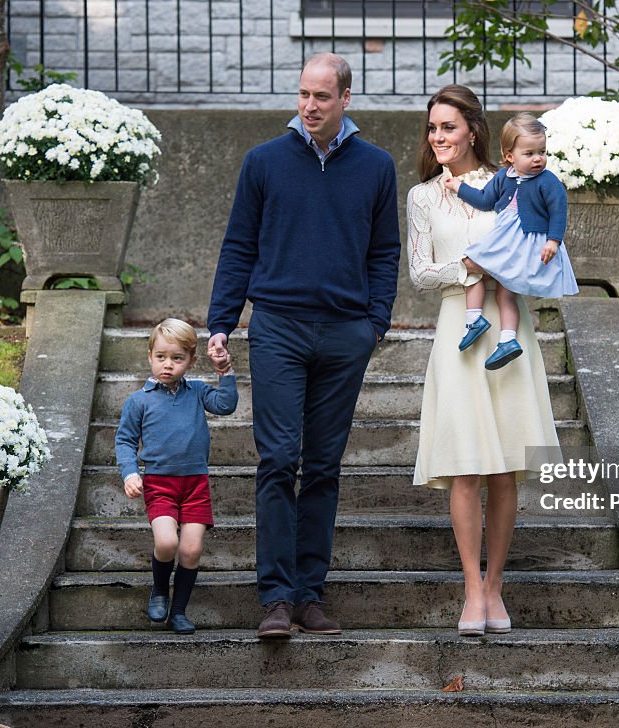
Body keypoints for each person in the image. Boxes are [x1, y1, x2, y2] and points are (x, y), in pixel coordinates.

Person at [206, 52, 401, 639]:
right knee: (276, 461)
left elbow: (384, 251)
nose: (310, 106)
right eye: (302, 95)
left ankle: (310, 596)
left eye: (321, 96)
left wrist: (375, 324)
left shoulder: (376, 166)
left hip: (345, 333)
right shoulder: (264, 161)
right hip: (278, 329)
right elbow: (239, 245)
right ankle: (275, 599)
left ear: (346, 98)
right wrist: (222, 321)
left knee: (321, 466)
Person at [407, 85, 561, 636]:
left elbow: (541, 243)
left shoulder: (512, 183)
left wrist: (510, 266)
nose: (438, 138)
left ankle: (496, 586)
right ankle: (472, 588)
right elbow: (420, 273)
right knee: (464, 465)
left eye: (447, 127)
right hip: (458, 327)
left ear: (472, 129)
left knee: (503, 467)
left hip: (507, 325)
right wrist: (470, 268)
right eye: (432, 129)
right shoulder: (423, 197)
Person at [115, 318, 238, 635]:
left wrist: (225, 372)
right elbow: (126, 440)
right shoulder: (139, 400)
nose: (167, 365)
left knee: (191, 550)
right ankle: (159, 590)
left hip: (195, 484)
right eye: (161, 357)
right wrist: (130, 473)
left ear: (191, 361)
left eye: (177, 358)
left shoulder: (196, 392)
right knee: (167, 542)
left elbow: (225, 405)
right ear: (150, 356)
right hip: (160, 484)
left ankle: (179, 611)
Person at [444, 113, 579, 370]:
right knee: (502, 289)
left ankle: (479, 322)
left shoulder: (547, 181)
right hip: (506, 241)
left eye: (542, 151)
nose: (538, 158)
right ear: (509, 156)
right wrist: (459, 187)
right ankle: (502, 337)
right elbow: (485, 199)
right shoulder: (504, 177)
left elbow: (559, 210)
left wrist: (553, 241)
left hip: (526, 243)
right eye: (529, 153)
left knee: (474, 265)